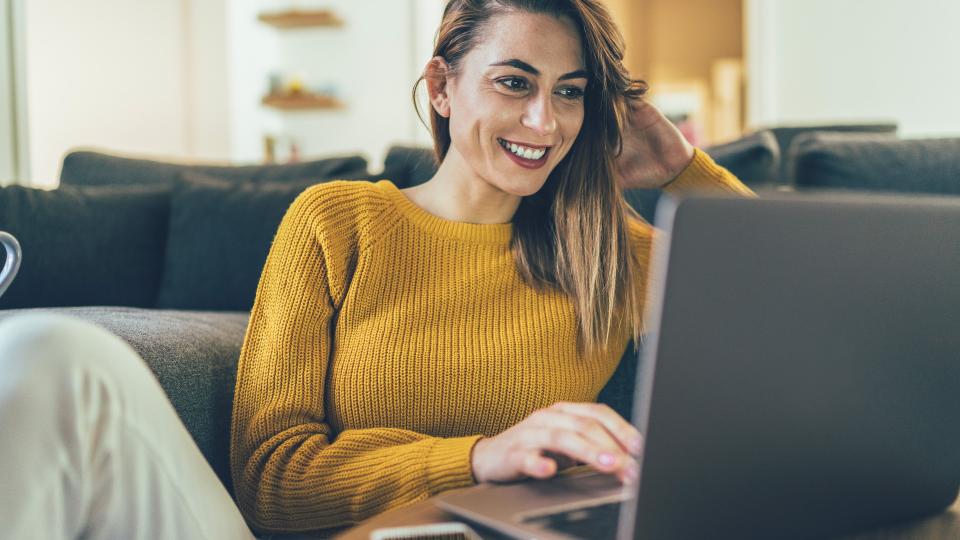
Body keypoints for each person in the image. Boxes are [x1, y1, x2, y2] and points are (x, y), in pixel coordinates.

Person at [0, 0, 752, 538]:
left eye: (570, 93)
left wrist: (680, 168)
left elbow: (799, 315)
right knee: (52, 353)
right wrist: (480, 458)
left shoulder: (606, 253)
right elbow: (272, 482)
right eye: (514, 82)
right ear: (442, 86)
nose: (544, 123)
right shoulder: (338, 221)